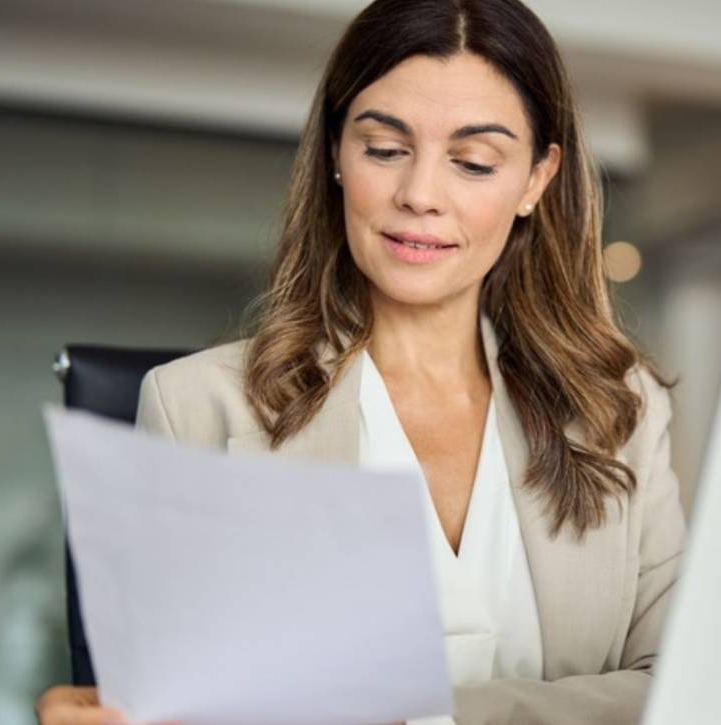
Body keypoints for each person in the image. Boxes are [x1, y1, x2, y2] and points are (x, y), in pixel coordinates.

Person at [35, 0, 684, 722]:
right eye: (383, 149)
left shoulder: (619, 408)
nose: (420, 195)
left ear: (536, 178)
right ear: (338, 156)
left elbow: (681, 687)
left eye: (473, 161)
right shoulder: (195, 405)